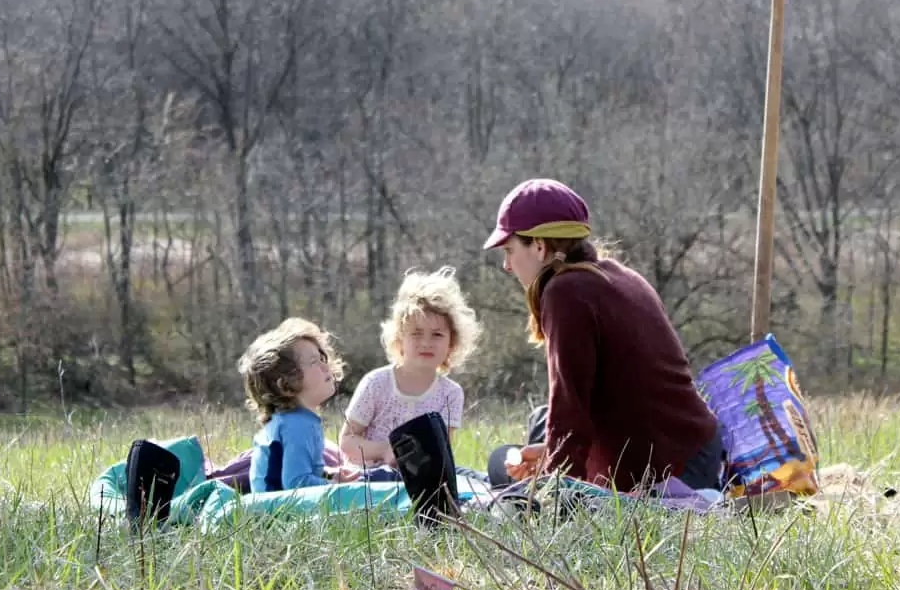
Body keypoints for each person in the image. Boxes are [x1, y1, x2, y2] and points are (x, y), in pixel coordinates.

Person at [482, 178, 724, 493]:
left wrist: (554, 494)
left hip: (667, 471)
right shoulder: (619, 276)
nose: (507, 266)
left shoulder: (566, 292)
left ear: (539, 245)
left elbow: (570, 408)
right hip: (695, 450)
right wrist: (551, 454)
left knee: (504, 481)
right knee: (534, 429)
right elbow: (616, 401)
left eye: (510, 250)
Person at [339, 266, 482, 470]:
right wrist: (384, 450)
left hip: (420, 480)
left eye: (437, 335)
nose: (426, 342)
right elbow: (347, 442)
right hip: (370, 477)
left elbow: (441, 454)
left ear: (452, 342)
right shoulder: (377, 383)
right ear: (400, 338)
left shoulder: (451, 394)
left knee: (474, 477)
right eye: (416, 333)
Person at [238, 318, 361, 493]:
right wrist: (336, 487)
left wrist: (330, 475)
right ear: (286, 385)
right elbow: (295, 483)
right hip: (275, 509)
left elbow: (299, 472)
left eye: (322, 358)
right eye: (313, 362)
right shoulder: (296, 426)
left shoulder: (297, 420)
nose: (325, 366)